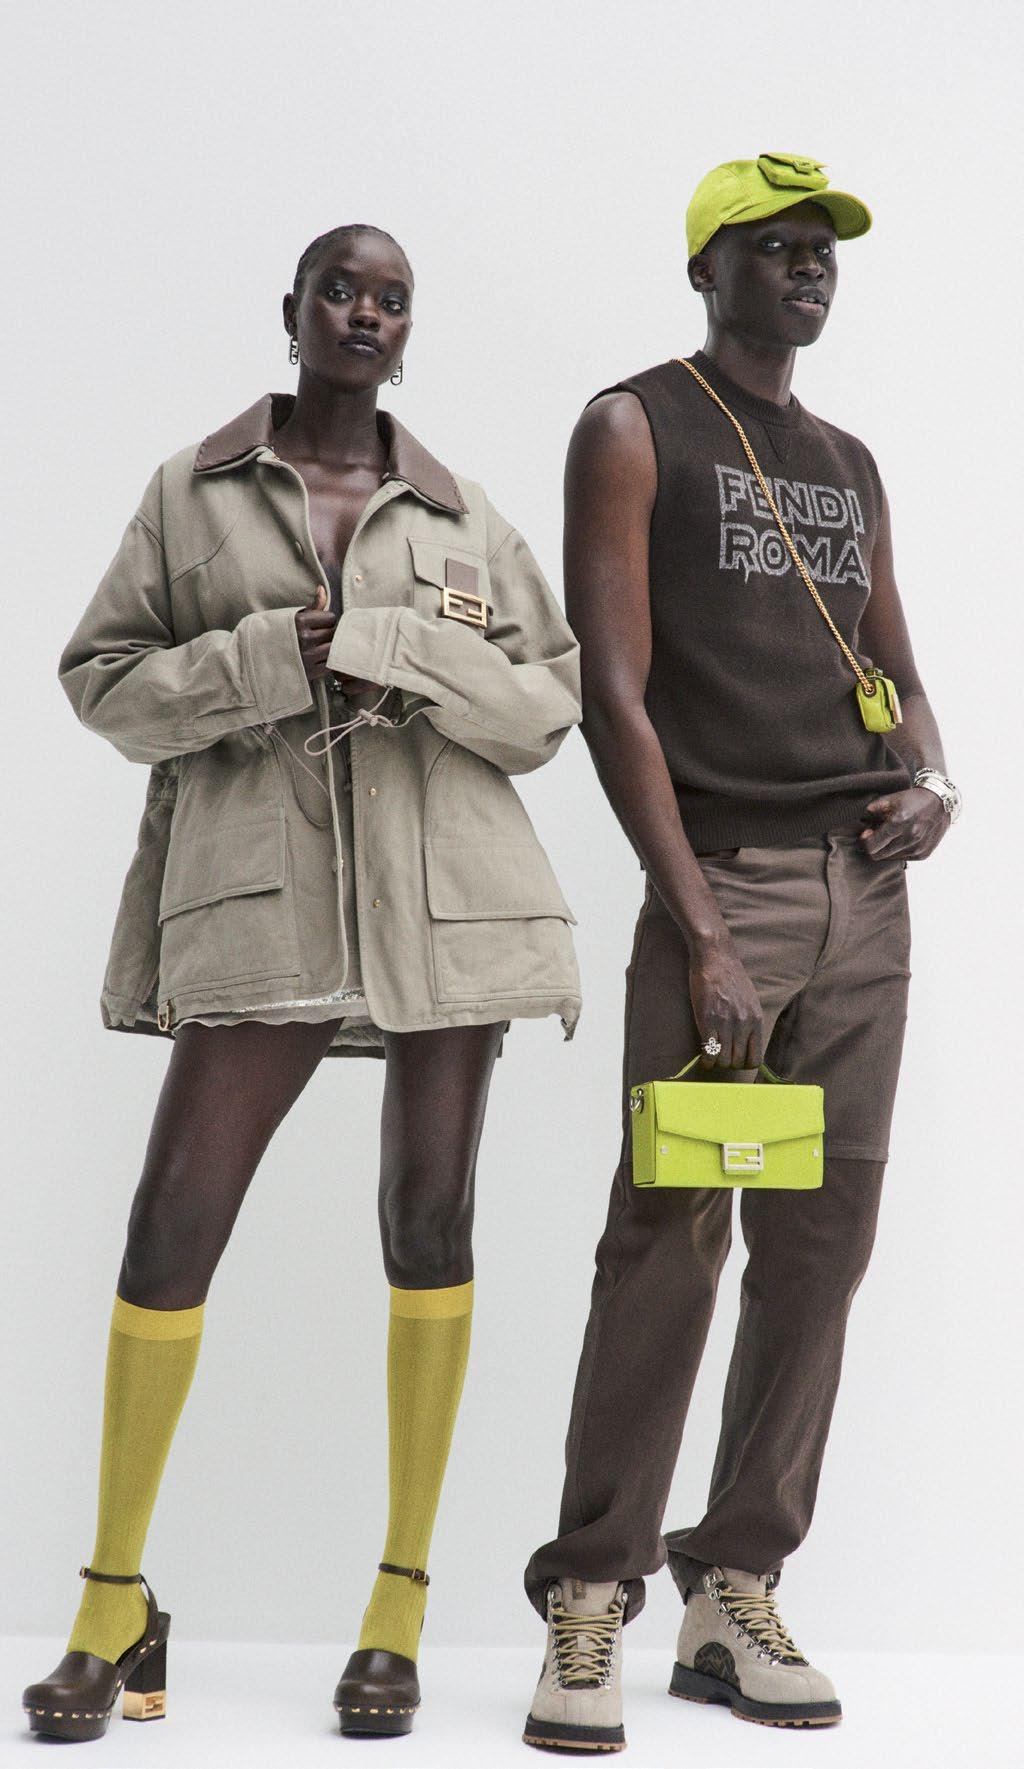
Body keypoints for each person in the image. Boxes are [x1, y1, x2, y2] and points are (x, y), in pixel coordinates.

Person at [23, 223, 582, 1745]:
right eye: (342, 289)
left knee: (429, 1221)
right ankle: (111, 1604)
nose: (365, 313)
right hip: (256, 902)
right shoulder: (189, 493)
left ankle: (396, 1607)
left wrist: (401, 647)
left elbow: (547, 707)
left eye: (392, 298)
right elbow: (100, 683)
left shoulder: (461, 514)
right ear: (293, 310)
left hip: (450, 908)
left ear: (409, 330)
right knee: (171, 1225)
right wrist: (269, 658)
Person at [522, 153, 961, 1753]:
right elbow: (612, 692)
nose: (807, 268)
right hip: (731, 896)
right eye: (773, 248)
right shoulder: (637, 425)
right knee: (668, 1242)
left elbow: (898, 664)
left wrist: (932, 779)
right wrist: (700, 927)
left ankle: (734, 1582)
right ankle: (592, 1592)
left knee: (819, 1250)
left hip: (865, 903)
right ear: (707, 268)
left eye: (822, 248)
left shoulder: (848, 460)